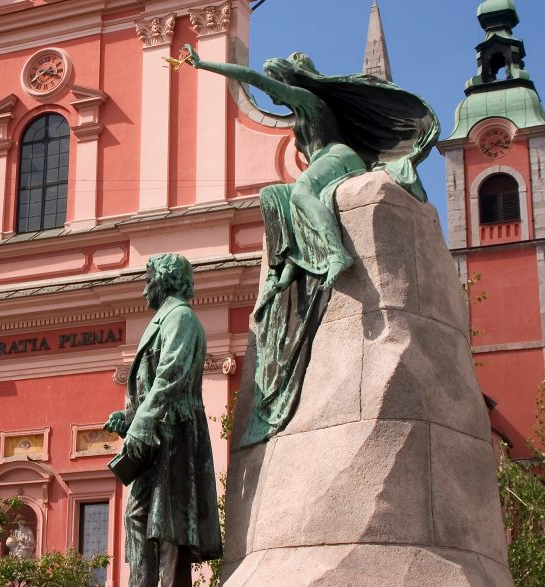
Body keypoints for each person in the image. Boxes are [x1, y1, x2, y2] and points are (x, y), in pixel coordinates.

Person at [182, 46, 439, 445]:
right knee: (274, 197)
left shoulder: (308, 100)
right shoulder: (298, 112)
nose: (273, 95)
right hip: (330, 161)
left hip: (341, 158)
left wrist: (203, 64)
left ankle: (337, 253)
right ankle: (289, 261)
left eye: (277, 87)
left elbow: (250, 79)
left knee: (302, 193)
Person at [105, 253, 221, 587]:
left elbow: (170, 376)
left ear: (164, 281)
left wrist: (141, 421)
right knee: (143, 518)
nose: (144, 291)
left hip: (175, 434)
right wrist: (129, 418)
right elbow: (154, 383)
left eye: (148, 281)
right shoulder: (165, 321)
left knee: (169, 526)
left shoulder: (181, 318)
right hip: (160, 434)